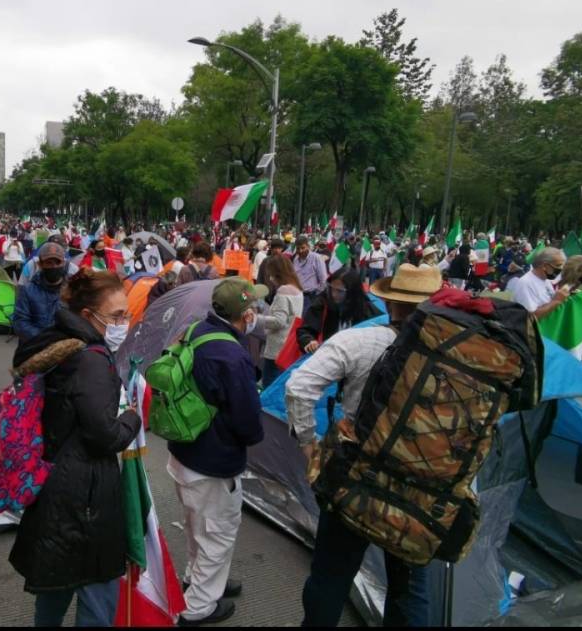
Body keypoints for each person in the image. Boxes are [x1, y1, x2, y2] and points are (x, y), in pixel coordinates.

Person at [286, 264, 441, 627]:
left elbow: (298, 386)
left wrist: (307, 444)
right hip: (420, 485)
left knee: (331, 575)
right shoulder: (457, 356)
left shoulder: (361, 341)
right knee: (410, 588)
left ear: (390, 302)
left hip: (357, 476)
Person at [9, 268, 141, 627]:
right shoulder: (92, 359)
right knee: (97, 593)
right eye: (116, 316)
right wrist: (132, 417)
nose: (123, 322)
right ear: (88, 316)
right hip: (86, 493)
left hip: (54, 477)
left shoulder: (58, 340)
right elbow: (105, 436)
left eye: (126, 314)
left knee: (55, 584)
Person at [168, 277, 266, 626]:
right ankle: (198, 608)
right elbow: (247, 421)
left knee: (199, 526)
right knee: (217, 533)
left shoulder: (197, 331)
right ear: (246, 313)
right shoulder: (232, 355)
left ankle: (199, 580)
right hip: (213, 459)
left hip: (185, 451)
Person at [297, 267, 382, 354]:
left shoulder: (366, 310)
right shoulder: (323, 301)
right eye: (332, 288)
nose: (334, 294)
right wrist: (309, 341)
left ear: (352, 292)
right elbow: (305, 330)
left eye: (340, 291)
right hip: (327, 356)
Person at [257, 254, 303, 387]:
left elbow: (279, 321)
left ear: (279, 273)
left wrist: (256, 319)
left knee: (269, 384)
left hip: (276, 347)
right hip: (289, 345)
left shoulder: (283, 291)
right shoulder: (298, 289)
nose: (270, 279)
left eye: (272, 275)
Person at [12, 242, 67, 345]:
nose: (54, 266)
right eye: (49, 263)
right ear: (40, 264)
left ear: (63, 263)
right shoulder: (28, 291)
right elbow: (20, 324)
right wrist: (47, 340)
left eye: (57, 262)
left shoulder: (72, 291)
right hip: (33, 349)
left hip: (65, 351)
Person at [511, 247, 568, 318]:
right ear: (544, 266)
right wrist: (556, 301)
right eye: (558, 265)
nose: (561, 269)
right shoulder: (526, 283)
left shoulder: (546, 280)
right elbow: (531, 316)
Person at [292, 236, 328, 318]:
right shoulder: (296, 259)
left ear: (308, 246)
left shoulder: (316, 258)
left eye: (303, 248)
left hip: (311, 296)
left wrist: (316, 296)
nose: (300, 251)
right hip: (298, 296)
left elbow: (323, 279)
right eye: (298, 249)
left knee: (305, 320)